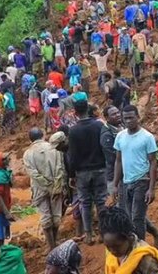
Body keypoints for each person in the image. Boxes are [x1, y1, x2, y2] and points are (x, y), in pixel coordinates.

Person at [113, 105, 158, 245]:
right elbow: (118, 161)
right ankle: (155, 233)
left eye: (131, 117)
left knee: (137, 218)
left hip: (142, 180)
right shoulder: (120, 137)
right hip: (126, 181)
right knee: (129, 215)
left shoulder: (147, 137)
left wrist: (151, 188)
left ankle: (140, 247)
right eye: (125, 118)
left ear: (138, 117)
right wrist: (115, 184)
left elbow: (153, 162)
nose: (128, 121)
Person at [68, 99, 108, 245]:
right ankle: (104, 233)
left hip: (82, 172)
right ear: (88, 109)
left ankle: (89, 234)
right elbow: (104, 146)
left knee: (85, 203)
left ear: (75, 112)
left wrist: (71, 175)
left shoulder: (73, 130)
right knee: (101, 201)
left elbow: (72, 156)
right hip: (100, 168)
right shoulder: (98, 125)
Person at [22, 127, 66, 250]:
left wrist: (46, 184)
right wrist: (55, 185)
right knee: (56, 216)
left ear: (30, 139)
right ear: (43, 135)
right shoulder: (53, 148)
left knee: (45, 217)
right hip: (56, 187)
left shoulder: (28, 154)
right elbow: (59, 168)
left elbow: (33, 174)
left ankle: (51, 246)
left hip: (39, 189)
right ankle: (55, 241)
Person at [101, 206, 158, 274]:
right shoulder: (113, 252)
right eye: (108, 247)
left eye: (117, 246)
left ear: (130, 238)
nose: (112, 251)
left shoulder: (145, 260)